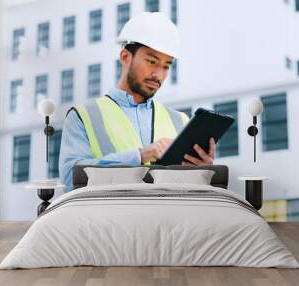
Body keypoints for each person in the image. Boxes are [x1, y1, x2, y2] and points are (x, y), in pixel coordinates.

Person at [59, 12, 215, 192]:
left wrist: (204, 171)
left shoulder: (181, 121)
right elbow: (71, 178)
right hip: (110, 216)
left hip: (168, 217)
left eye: (166, 66)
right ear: (125, 57)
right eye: (151, 61)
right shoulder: (83, 116)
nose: (159, 75)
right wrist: (140, 155)